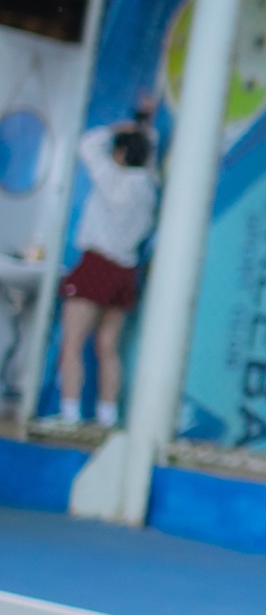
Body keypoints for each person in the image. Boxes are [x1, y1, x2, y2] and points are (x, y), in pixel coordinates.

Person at [52, 113, 159, 428]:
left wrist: (118, 128)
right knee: (109, 346)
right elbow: (148, 153)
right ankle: (107, 415)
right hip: (125, 271)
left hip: (97, 263)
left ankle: (69, 414)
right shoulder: (148, 187)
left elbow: (88, 144)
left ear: (120, 154)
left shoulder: (111, 176)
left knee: (72, 343)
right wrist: (143, 128)